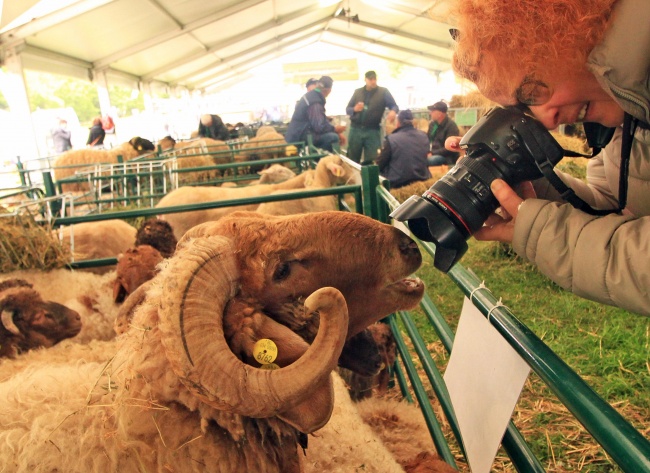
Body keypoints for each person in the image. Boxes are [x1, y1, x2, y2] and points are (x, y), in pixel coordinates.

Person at [445, 0, 649, 316]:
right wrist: (521, 183)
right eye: (524, 108)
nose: (548, 120)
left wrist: (545, 234)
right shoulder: (618, 115)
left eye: (531, 90)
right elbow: (613, 206)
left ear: (572, 36)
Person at [345, 70, 399, 164]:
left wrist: (393, 111)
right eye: (370, 79)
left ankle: (370, 178)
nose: (373, 81)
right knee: (352, 159)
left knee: (373, 159)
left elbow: (394, 106)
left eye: (374, 79)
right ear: (365, 80)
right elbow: (347, 109)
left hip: (372, 131)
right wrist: (354, 109)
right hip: (356, 129)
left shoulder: (383, 92)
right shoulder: (357, 92)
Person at [285, 76, 346, 152]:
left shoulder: (311, 96)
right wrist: (335, 129)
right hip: (300, 137)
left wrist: (334, 130)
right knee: (333, 137)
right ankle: (321, 161)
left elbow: (319, 121)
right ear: (329, 90)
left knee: (333, 135)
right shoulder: (315, 102)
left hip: (298, 134)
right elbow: (319, 126)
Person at [376, 110, 431, 189]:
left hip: (397, 182)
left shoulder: (391, 139)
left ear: (398, 123)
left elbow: (379, 164)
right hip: (422, 179)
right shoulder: (424, 136)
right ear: (412, 122)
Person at [426, 101, 460, 166]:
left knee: (431, 160)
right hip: (432, 152)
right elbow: (427, 139)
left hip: (447, 157)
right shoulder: (432, 125)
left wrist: (432, 153)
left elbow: (450, 148)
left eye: (433, 111)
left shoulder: (451, 126)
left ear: (440, 113)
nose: (430, 113)